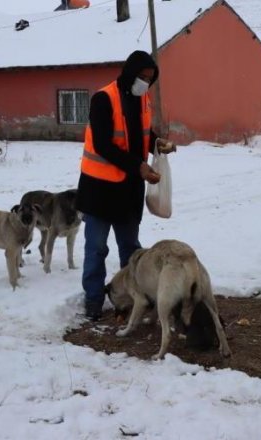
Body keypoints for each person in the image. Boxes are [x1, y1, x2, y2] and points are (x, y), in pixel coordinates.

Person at [75, 50, 176, 321]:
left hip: (128, 191)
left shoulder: (142, 100)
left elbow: (140, 134)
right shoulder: (103, 99)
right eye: (142, 77)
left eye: (150, 79)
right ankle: (94, 300)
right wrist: (139, 167)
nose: (145, 83)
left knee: (130, 248)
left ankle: (135, 298)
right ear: (130, 73)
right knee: (96, 248)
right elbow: (104, 144)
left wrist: (157, 143)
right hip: (99, 190)